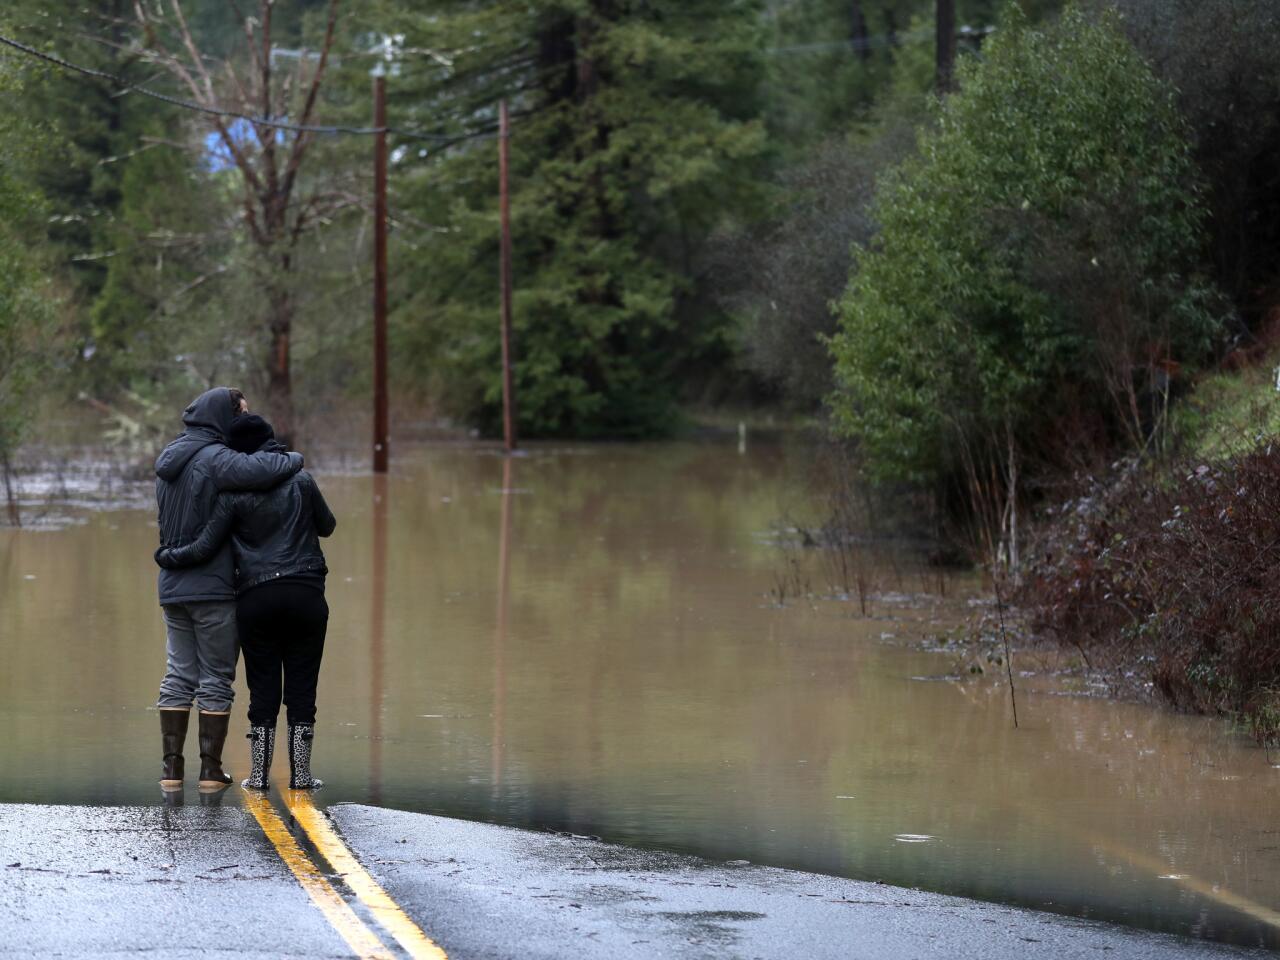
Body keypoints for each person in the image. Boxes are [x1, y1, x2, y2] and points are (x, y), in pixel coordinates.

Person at [156, 414, 336, 790]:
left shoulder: (233, 495)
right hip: (306, 593)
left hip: (256, 598)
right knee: (303, 685)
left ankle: (258, 776)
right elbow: (328, 525)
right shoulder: (301, 481)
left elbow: (206, 545)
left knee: (263, 685)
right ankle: (300, 775)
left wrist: (169, 556)